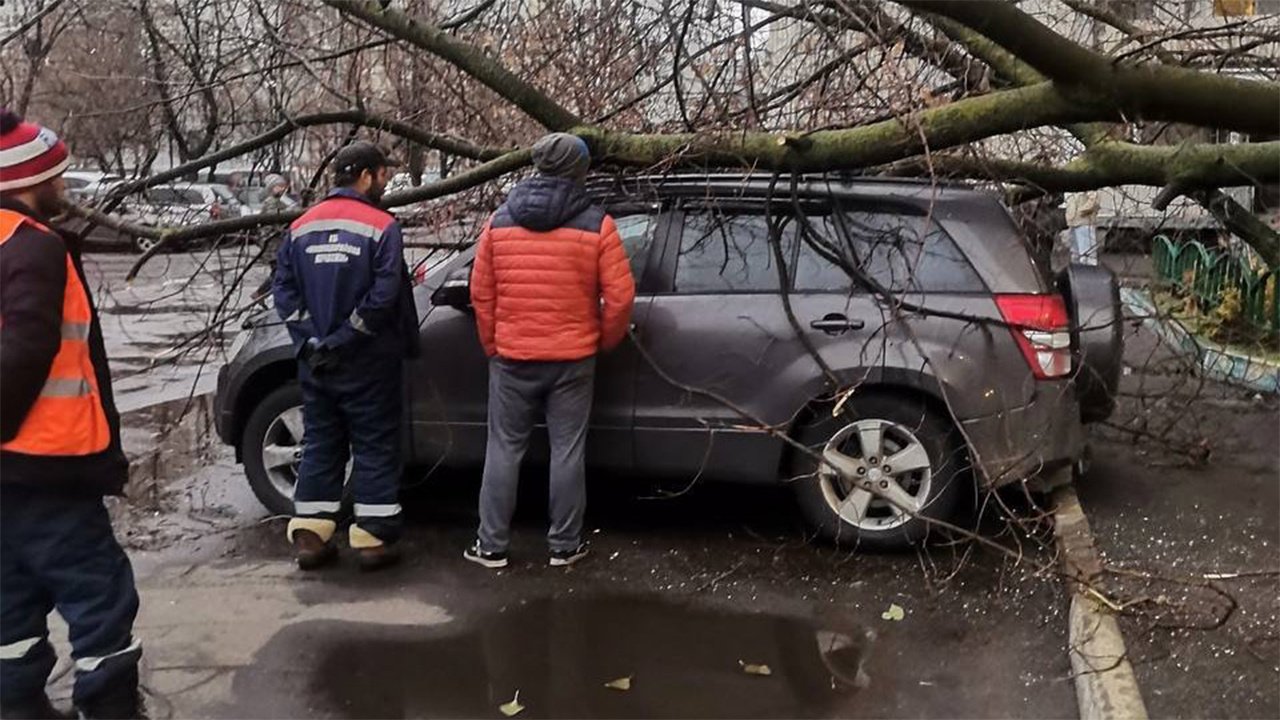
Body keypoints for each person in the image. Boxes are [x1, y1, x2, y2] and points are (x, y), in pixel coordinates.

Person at [0, 110, 142, 718]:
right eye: (58, 176)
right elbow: (25, 348)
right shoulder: (32, 247)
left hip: (13, 473)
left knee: (8, 601)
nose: (66, 187)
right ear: (32, 180)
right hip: (45, 464)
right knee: (100, 597)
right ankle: (110, 708)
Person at [464, 133, 636, 570]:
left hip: (512, 356)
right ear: (579, 172)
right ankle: (564, 546)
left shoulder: (498, 223)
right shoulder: (599, 224)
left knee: (503, 448)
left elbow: (480, 293)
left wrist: (493, 342)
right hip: (572, 359)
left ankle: (491, 546)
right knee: (567, 451)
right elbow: (620, 298)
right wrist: (602, 341)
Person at [272, 140, 418, 572]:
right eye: (383, 175)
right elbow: (384, 295)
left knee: (321, 441)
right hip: (367, 359)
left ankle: (311, 539)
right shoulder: (382, 226)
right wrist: (342, 338)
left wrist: (313, 340)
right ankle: (372, 542)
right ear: (367, 175)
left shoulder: (300, 226)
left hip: (316, 361)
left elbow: (284, 290)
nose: (386, 182)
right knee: (373, 444)